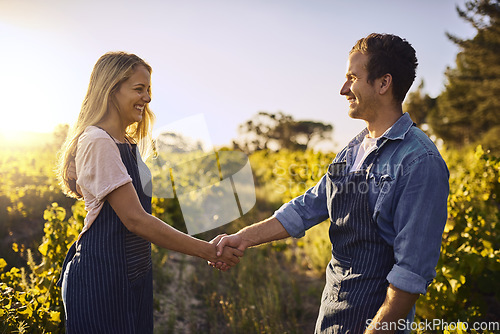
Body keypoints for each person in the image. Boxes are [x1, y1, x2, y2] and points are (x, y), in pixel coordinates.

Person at [213, 33, 449, 334]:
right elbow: (307, 207)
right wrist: (243, 237)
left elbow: (411, 273)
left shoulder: (419, 161)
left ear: (383, 83)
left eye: (352, 77)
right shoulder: (352, 150)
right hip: (331, 312)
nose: (342, 89)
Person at [56, 51, 242, 333]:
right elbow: (136, 220)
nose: (148, 98)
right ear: (111, 89)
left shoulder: (125, 142)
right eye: (139, 89)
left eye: (149, 90)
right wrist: (207, 250)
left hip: (134, 272)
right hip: (101, 278)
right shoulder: (98, 141)